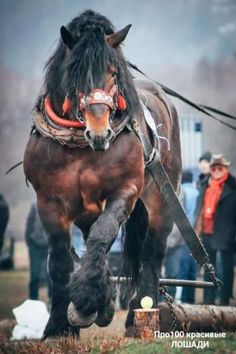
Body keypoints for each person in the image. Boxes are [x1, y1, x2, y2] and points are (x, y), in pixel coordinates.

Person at [195, 154, 236, 305]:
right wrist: (196, 228)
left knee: (226, 268)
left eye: (220, 168)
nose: (217, 171)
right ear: (211, 169)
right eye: (214, 168)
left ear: (225, 169)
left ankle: (224, 299)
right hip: (207, 232)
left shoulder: (233, 185)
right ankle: (209, 298)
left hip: (226, 233)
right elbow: (200, 208)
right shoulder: (205, 184)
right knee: (209, 268)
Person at [177, 170, 199, 303]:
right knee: (193, 267)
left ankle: (182, 298)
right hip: (197, 234)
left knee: (182, 267)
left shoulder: (180, 192)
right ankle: (191, 298)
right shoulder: (197, 192)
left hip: (184, 234)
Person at [25, 203, 51, 300]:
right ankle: (33, 300)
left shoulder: (56, 206)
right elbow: (29, 225)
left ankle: (51, 301)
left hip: (50, 247)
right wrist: (29, 241)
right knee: (34, 275)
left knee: (50, 276)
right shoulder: (34, 206)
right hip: (35, 246)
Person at [163, 188, 185, 298]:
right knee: (155, 272)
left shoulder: (180, 191)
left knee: (172, 273)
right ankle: (158, 299)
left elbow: (180, 216)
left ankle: (169, 300)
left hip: (174, 242)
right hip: (159, 240)